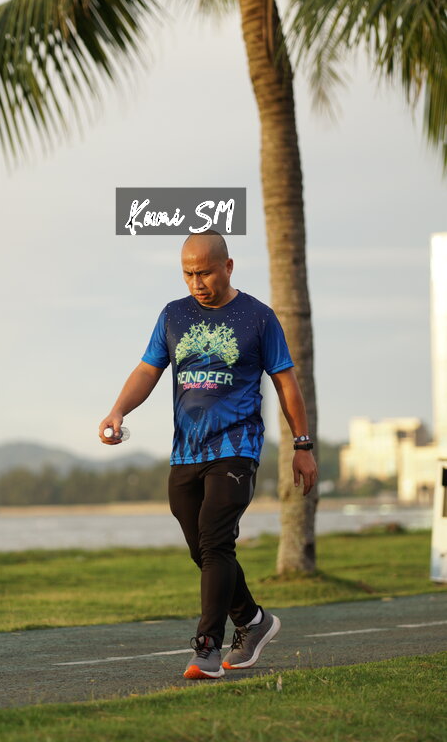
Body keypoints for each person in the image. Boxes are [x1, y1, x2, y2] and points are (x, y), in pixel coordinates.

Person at [99, 230, 318, 679]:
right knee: (202, 548)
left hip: (236, 449)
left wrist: (302, 444)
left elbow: (286, 382)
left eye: (205, 273)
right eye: (188, 274)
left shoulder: (258, 317)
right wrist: (118, 410)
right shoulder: (173, 315)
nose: (197, 283)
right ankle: (253, 620)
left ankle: (207, 649)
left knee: (216, 541)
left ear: (228, 267)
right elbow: (147, 370)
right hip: (186, 451)